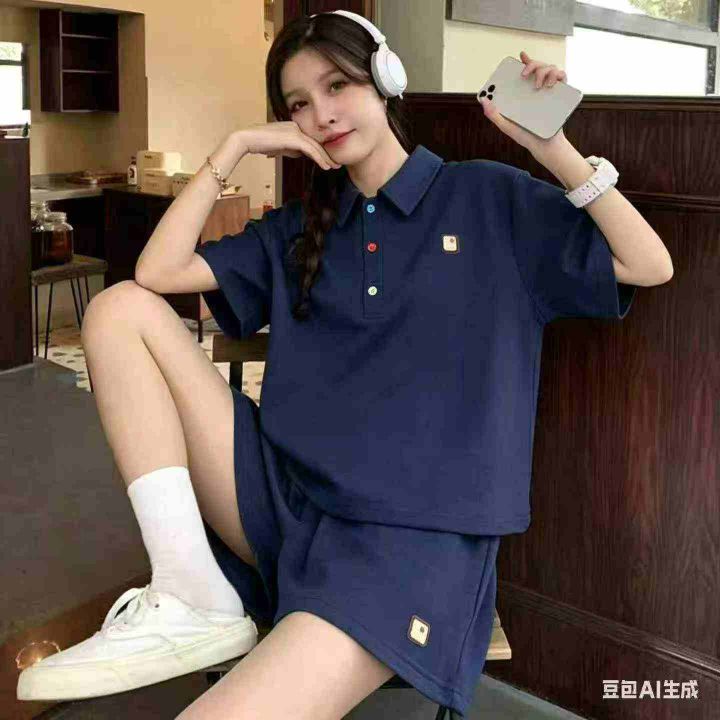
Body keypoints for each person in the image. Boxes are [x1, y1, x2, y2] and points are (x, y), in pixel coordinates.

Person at [17, 9, 672, 719]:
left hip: (406, 547)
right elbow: (157, 273)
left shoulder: (486, 197)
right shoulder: (301, 226)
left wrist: (553, 148)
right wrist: (233, 148)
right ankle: (189, 591)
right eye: (298, 102)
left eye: (337, 85)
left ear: (385, 77)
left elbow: (648, 263)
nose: (321, 114)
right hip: (283, 503)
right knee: (118, 308)